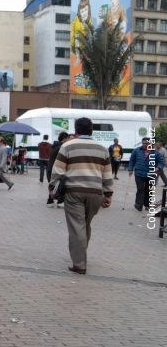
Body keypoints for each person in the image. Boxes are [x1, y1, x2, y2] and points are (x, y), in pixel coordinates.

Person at [49, 117, 113, 275]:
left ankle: (79, 264)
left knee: (77, 227)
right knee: (85, 224)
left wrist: (52, 187)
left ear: (76, 130)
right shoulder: (102, 148)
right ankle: (81, 256)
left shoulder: (68, 146)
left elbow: (58, 170)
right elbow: (107, 174)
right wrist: (108, 194)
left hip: (74, 192)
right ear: (92, 130)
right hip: (96, 193)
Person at [128, 137, 164, 212]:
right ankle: (139, 204)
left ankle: (147, 204)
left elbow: (161, 162)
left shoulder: (156, 153)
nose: (145, 145)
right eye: (143, 143)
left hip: (151, 174)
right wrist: (130, 169)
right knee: (140, 189)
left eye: (146, 143)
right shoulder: (136, 151)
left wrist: (158, 168)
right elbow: (132, 160)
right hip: (139, 173)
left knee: (148, 190)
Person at [47, 132, 70, 207]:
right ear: (64, 139)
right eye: (68, 139)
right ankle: (59, 201)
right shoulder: (62, 147)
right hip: (56, 169)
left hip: (50, 168)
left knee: (54, 185)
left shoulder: (54, 146)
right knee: (61, 185)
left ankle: (51, 201)